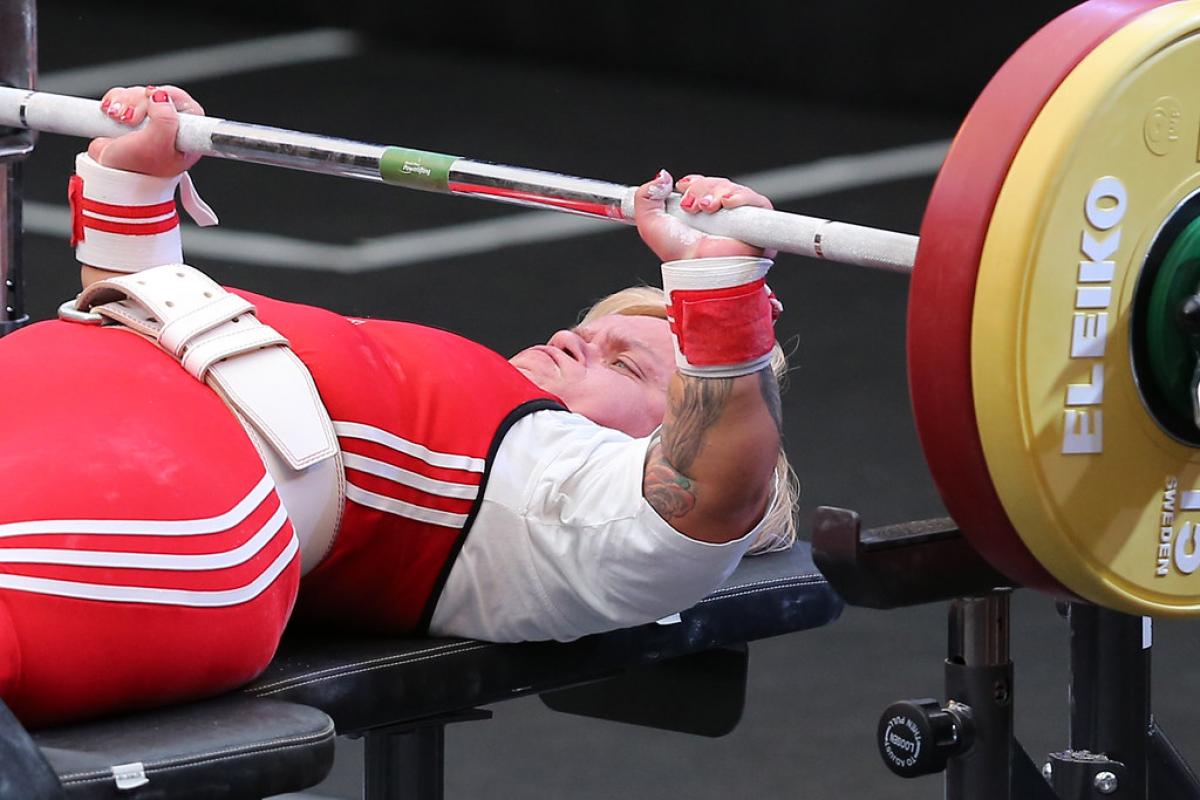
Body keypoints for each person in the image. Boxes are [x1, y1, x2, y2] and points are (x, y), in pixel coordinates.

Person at [0, 85, 794, 726]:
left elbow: (708, 498)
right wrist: (134, 184)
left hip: (182, 511)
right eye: (589, 329)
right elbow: (160, 335)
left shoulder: (562, 497)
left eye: (624, 362)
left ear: (661, 438)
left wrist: (722, 297)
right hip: (68, 397)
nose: (576, 339)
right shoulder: (457, 382)